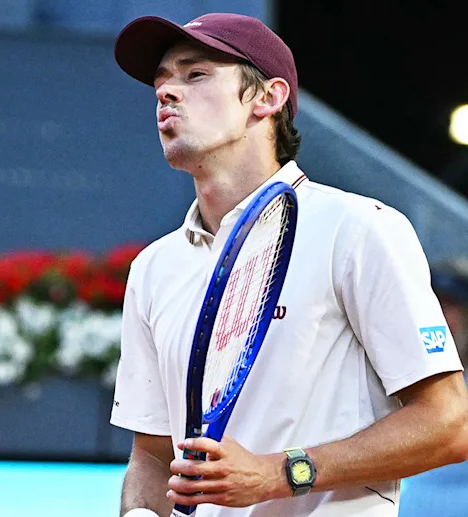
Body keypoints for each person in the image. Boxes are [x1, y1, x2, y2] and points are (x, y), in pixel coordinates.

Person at [109, 12, 468, 517]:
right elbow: (151, 453)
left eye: (195, 74)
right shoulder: (153, 267)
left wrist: (279, 473)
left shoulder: (358, 228)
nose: (167, 92)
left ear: (268, 98)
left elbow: (449, 424)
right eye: (161, 82)